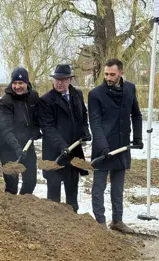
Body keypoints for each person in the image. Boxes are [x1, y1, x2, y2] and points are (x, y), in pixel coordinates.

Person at [88, 58, 143, 232]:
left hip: (122, 145)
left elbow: (136, 115)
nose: (108, 78)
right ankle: (100, 223)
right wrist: (104, 147)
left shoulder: (129, 89)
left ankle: (117, 221)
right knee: (98, 188)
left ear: (121, 72)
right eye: (106, 74)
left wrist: (138, 137)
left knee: (118, 188)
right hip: (102, 148)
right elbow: (95, 123)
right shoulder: (95, 94)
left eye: (112, 74)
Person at [38, 64, 91, 212]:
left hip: (74, 152)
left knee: (72, 191)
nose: (59, 82)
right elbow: (48, 127)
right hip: (54, 153)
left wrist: (85, 130)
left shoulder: (77, 95)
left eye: (63, 79)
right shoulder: (46, 100)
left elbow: (83, 115)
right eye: (57, 79)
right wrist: (63, 146)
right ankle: (53, 227)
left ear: (70, 80)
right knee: (53, 195)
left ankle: (73, 220)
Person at [0, 67, 41, 195]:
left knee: (30, 181)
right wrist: (17, 148)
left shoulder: (33, 97)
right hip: (8, 146)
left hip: (27, 145)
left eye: (21, 83)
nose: (17, 86)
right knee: (12, 185)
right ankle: (10, 210)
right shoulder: (5, 102)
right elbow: (5, 129)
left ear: (27, 83)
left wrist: (36, 130)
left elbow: (37, 118)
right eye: (15, 83)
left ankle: (22, 208)